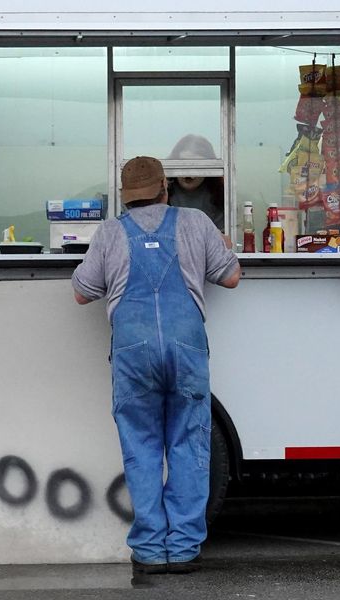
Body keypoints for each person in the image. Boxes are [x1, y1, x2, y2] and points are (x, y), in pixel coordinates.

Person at [71, 156, 241, 576]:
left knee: (142, 449)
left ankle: (148, 550)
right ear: (165, 188)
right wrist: (223, 246)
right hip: (186, 351)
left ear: (125, 195)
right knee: (189, 446)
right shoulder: (197, 222)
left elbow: (81, 292)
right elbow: (232, 277)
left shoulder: (110, 232)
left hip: (134, 354)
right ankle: (182, 549)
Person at [166, 134, 226, 231]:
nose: (190, 173)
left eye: (197, 166)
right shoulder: (162, 191)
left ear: (209, 167)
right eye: (184, 164)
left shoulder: (219, 194)